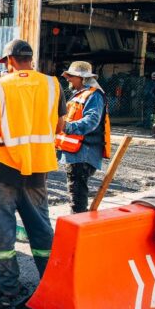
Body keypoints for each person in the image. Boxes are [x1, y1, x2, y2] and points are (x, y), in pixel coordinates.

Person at [0, 39, 66, 305]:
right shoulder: (52, 85)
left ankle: (7, 288)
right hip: (37, 168)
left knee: (4, 228)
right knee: (41, 229)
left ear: (10, 61)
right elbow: (60, 125)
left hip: (5, 167)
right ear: (30, 59)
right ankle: (50, 284)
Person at [56, 61, 111, 214]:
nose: (68, 79)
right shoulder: (82, 94)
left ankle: (77, 227)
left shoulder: (94, 95)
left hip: (83, 153)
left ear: (83, 78)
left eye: (72, 76)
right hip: (77, 152)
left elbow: (91, 121)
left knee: (78, 195)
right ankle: (77, 224)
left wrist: (65, 127)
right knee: (76, 192)